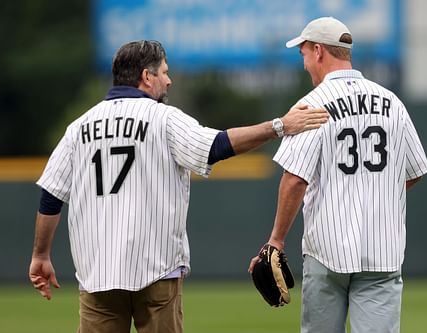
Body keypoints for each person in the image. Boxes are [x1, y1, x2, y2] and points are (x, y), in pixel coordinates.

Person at [28, 40, 328, 333]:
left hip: (97, 274)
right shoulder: (164, 119)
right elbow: (217, 145)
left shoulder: (79, 127)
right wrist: (280, 126)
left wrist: (41, 255)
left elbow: (51, 195)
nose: (169, 81)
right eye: (164, 72)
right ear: (147, 76)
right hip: (156, 270)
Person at [249, 17, 427, 333]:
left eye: (304, 53)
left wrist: (275, 240)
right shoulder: (392, 103)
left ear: (319, 51)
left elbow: (295, 179)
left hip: (327, 250)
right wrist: (380, 191)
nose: (304, 63)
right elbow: (414, 172)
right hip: (382, 251)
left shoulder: (312, 105)